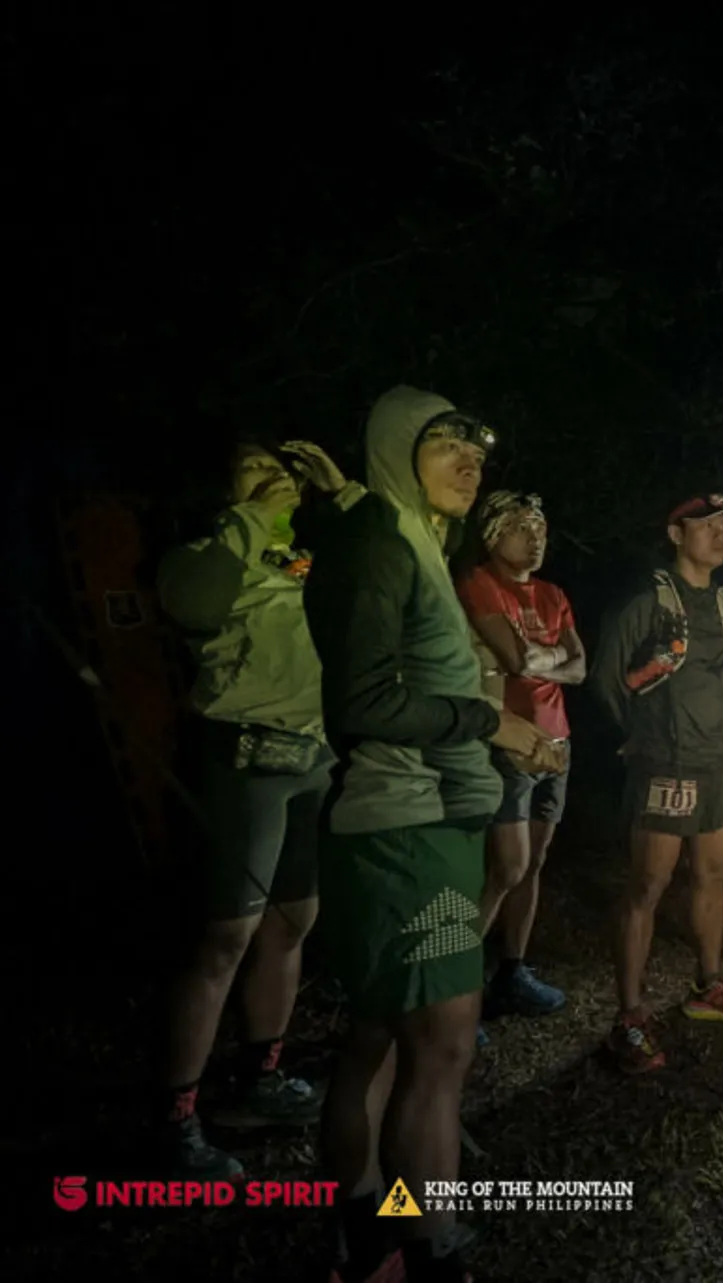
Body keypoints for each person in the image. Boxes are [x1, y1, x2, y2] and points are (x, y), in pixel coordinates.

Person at [302, 387, 560, 1283]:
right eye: (444, 443)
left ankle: (372, 1229)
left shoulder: (404, 534)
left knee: (382, 1035)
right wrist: (485, 721)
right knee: (442, 1041)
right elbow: (362, 699)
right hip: (400, 828)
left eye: (477, 451)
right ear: (394, 447)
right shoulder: (378, 542)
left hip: (426, 826)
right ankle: (426, 1241)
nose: (468, 461)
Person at [153, 436, 359, 1180]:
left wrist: (338, 500)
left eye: (282, 470)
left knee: (291, 921)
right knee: (224, 938)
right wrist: (246, 519)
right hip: (245, 756)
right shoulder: (211, 550)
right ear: (226, 490)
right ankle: (176, 1118)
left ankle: (262, 1076)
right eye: (254, 468)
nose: (275, 478)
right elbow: (188, 602)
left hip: (313, 756)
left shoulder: (306, 556)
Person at [593, 494, 723, 1076]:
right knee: (647, 885)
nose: (720, 535)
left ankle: (707, 984)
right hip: (667, 763)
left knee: (713, 875)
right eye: (707, 525)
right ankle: (630, 1017)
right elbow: (605, 678)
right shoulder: (648, 599)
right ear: (676, 533)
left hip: (721, 762)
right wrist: (636, 736)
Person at [459, 491, 582, 1026]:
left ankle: (512, 972)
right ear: (492, 533)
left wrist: (542, 659)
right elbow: (512, 658)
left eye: (540, 528)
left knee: (533, 862)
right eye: (520, 528)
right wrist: (550, 657)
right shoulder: (478, 583)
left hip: (558, 740)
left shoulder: (554, 593)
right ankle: (455, 990)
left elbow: (580, 668)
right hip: (507, 741)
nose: (534, 539)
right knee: (504, 866)